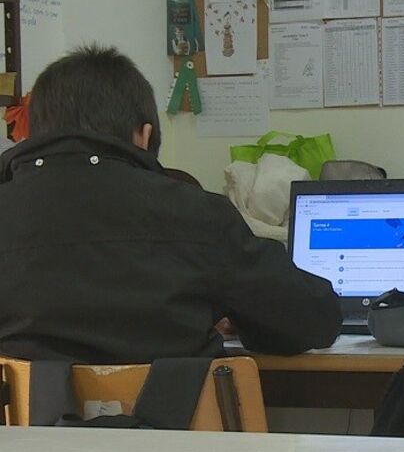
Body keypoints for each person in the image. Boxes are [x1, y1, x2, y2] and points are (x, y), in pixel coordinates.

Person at [0, 45, 342, 362]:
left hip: (27, 411)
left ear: (35, 134)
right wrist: (244, 315)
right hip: (172, 409)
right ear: (144, 136)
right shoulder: (197, 215)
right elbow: (314, 321)